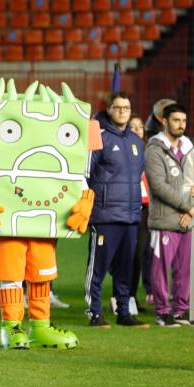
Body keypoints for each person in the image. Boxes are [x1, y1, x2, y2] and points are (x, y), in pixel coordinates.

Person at [84, 91, 148, 328]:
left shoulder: (135, 142)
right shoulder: (98, 137)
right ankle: (94, 312)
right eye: (118, 107)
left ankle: (124, 312)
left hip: (131, 216)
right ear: (109, 109)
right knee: (98, 267)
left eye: (126, 108)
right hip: (105, 215)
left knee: (125, 268)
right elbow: (86, 175)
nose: (122, 111)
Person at [145, 103, 193, 327]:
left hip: (188, 217)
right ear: (164, 121)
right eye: (176, 120)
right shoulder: (155, 149)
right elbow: (158, 186)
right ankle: (163, 312)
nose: (181, 125)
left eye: (183, 121)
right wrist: (188, 207)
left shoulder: (189, 147)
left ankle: (181, 310)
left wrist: (191, 211)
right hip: (164, 220)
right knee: (161, 269)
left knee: (185, 269)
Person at [128, 113, 153, 311]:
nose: (137, 129)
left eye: (140, 126)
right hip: (125, 208)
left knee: (138, 255)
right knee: (123, 256)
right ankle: (119, 298)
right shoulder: (123, 150)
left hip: (145, 209)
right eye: (133, 126)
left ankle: (132, 297)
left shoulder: (149, 153)